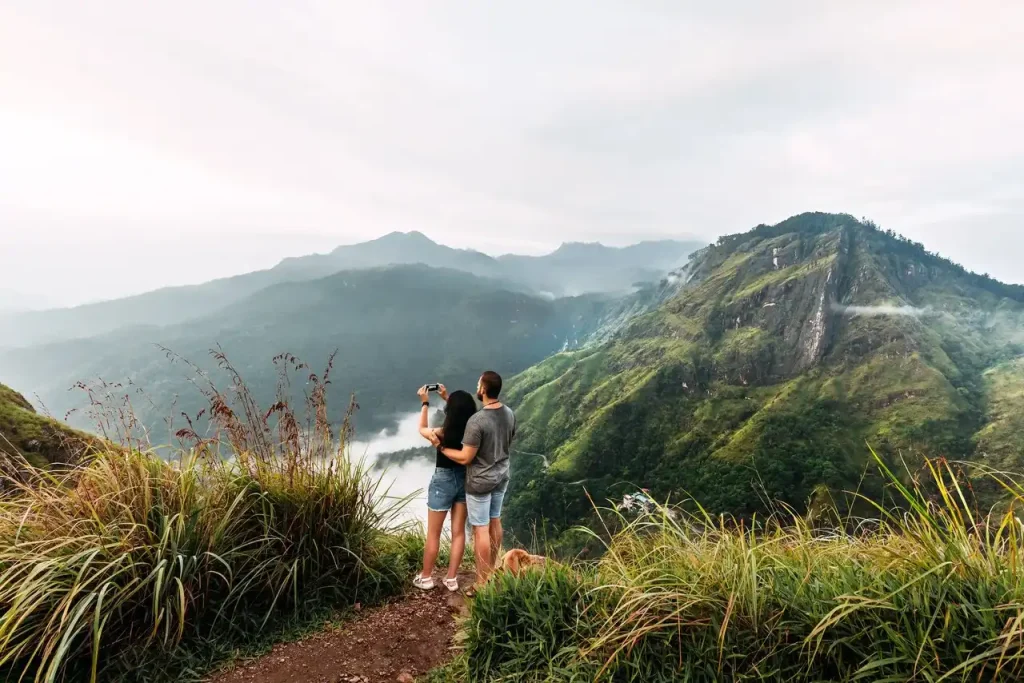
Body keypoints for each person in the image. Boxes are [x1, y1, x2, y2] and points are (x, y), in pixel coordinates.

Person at [437, 371, 516, 588]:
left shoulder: (477, 421)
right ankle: (490, 570)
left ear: (483, 389)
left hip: (480, 481)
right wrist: (448, 398)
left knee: (480, 529)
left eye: (478, 384)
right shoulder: (508, 413)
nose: (476, 387)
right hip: (502, 475)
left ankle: (481, 583)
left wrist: (441, 448)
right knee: (495, 520)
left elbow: (465, 457)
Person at [413, 384, 476, 592]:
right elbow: (460, 412)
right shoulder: (473, 433)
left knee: (434, 533)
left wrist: (425, 402)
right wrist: (447, 397)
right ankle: (451, 578)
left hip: (443, 481)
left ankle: (426, 577)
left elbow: (422, 429)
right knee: (459, 532)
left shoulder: (442, 433)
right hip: (464, 480)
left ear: (450, 411)